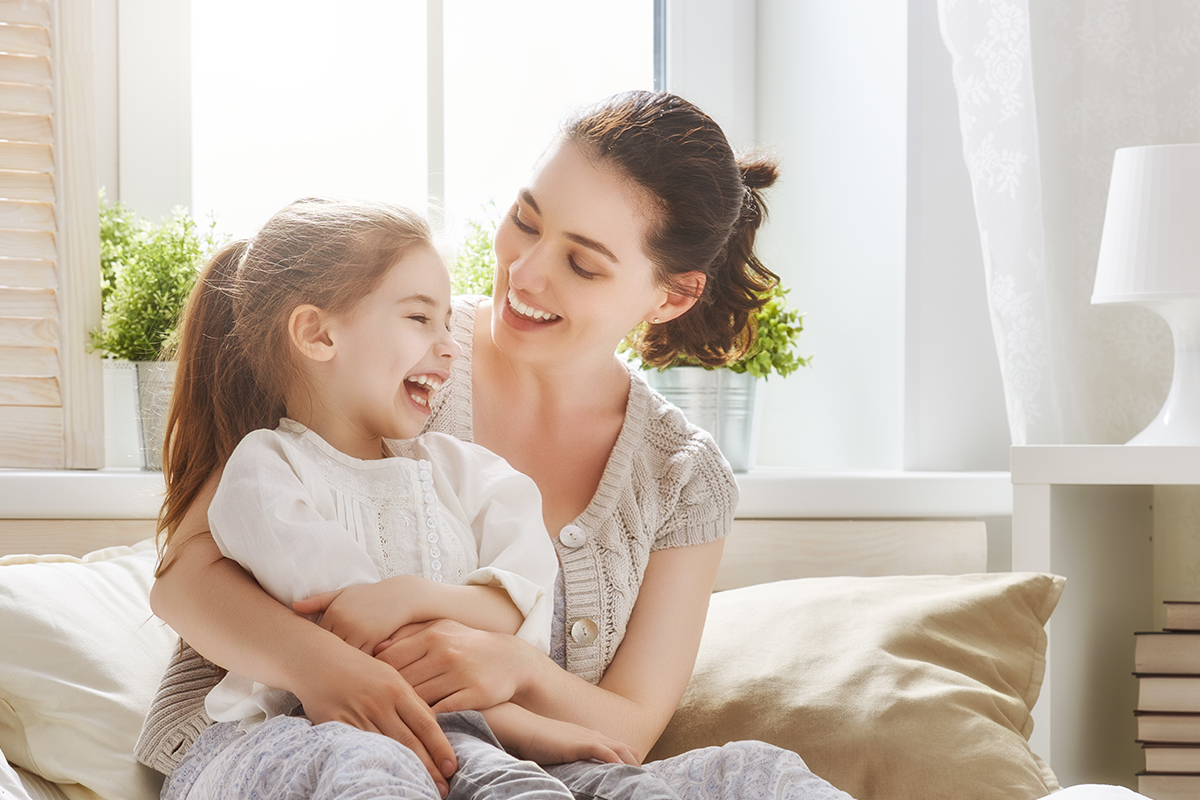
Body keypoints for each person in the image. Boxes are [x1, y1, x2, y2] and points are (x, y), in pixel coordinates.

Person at [139, 91, 856, 800]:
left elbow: (629, 727)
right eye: (525, 220)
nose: (526, 272)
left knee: (760, 778)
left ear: (671, 296)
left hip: (512, 768)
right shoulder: (388, 352)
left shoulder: (681, 477)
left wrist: (513, 667)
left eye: (583, 264)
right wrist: (324, 669)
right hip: (283, 743)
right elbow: (184, 578)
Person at [146, 196, 675, 800]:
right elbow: (357, 639)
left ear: (669, 294)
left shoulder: (459, 469)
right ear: (318, 335)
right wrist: (516, 726)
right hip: (308, 731)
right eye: (422, 320)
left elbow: (515, 597)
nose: (449, 345)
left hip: (460, 731)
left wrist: (416, 596)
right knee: (382, 772)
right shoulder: (270, 469)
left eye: (446, 321)